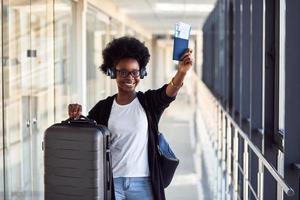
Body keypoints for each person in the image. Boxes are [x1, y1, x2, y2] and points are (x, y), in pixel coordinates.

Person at [68, 36, 193, 200]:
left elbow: (168, 93)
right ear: (113, 73)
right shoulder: (103, 108)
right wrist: (75, 117)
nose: (129, 77)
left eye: (134, 72)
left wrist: (181, 72)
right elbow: (87, 133)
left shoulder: (149, 103)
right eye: (123, 72)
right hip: (112, 183)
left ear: (141, 73)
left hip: (143, 183)